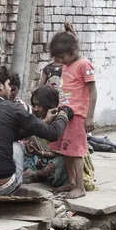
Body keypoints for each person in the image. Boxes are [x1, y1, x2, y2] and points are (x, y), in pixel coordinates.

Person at [0, 64, 71, 197]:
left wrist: (44, 122)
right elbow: (53, 134)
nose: (10, 88)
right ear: (0, 85)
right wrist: (63, 115)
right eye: (8, 84)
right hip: (5, 186)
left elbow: (11, 134)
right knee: (15, 145)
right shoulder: (14, 108)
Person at [48, 23, 98, 199]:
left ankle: (80, 186)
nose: (60, 61)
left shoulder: (84, 64)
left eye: (62, 57)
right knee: (66, 149)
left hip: (77, 115)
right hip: (64, 113)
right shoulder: (67, 64)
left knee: (76, 151)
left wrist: (89, 117)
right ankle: (70, 182)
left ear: (73, 51)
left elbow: (93, 91)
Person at [22, 86, 96, 192]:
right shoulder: (40, 118)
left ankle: (75, 184)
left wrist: (41, 154)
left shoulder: (61, 120)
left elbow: (61, 153)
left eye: (38, 105)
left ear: (48, 105)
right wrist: (38, 152)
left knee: (52, 167)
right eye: (34, 105)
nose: (35, 108)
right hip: (52, 155)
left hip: (67, 158)